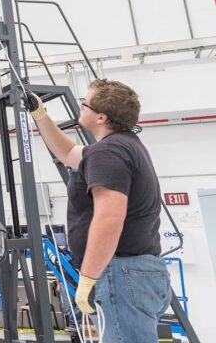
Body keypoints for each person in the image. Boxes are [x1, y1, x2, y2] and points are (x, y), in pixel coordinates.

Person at [24, 79, 168, 342]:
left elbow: (109, 217)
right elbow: (68, 152)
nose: (81, 106)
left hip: (121, 273)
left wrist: (88, 277)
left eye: (85, 103)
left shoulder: (108, 152)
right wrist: (41, 116)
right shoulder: (122, 146)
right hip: (136, 271)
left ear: (101, 117)